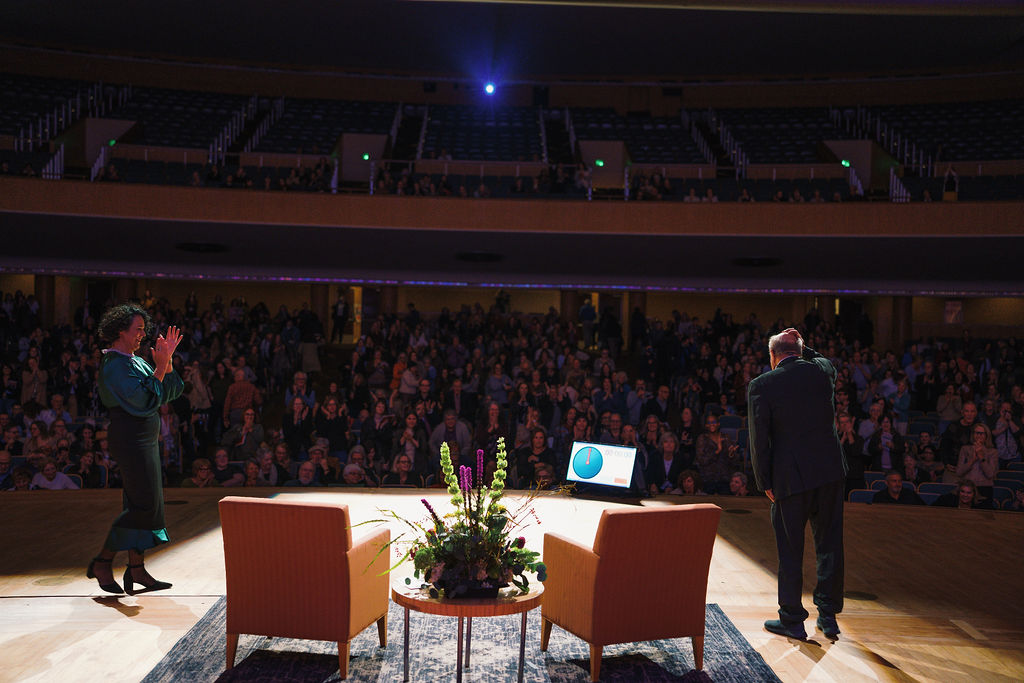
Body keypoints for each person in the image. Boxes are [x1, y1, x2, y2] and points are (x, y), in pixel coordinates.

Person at [747, 327, 846, 641]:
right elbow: (825, 362)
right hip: (830, 473)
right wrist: (807, 346)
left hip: (789, 478)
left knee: (790, 550)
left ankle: (792, 620)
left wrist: (765, 481)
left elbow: (758, 440)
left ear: (773, 355)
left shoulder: (762, 385)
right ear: (800, 351)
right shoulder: (822, 373)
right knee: (829, 544)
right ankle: (827, 618)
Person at [87, 303, 183, 596]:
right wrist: (159, 368)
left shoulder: (136, 361)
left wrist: (166, 362)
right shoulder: (114, 365)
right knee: (143, 506)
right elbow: (142, 401)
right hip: (130, 439)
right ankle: (103, 561)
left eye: (143, 328)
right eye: (137, 329)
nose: (143, 334)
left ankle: (137, 568)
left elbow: (172, 390)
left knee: (143, 503)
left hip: (143, 438)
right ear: (119, 331)